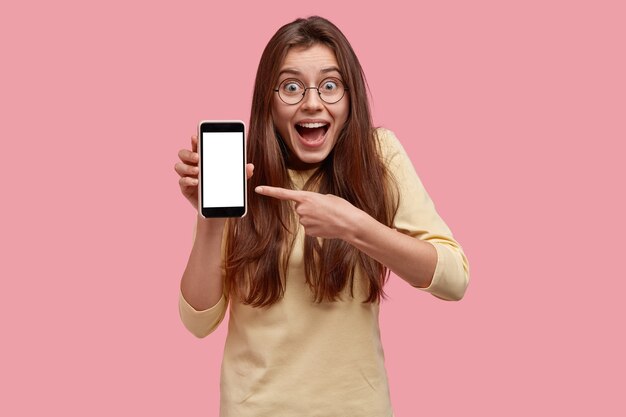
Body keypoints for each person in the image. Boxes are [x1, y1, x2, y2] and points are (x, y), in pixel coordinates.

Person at [174, 16, 469, 417]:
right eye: (292, 87)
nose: (312, 103)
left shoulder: (378, 156)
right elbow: (198, 322)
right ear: (269, 100)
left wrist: (355, 226)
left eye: (330, 86)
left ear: (349, 99)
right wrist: (210, 220)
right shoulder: (239, 171)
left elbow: (453, 279)